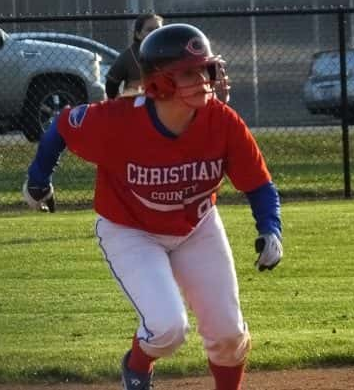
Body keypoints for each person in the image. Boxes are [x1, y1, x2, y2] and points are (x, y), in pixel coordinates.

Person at [22, 23, 283, 390]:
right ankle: (137, 366)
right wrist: (38, 180)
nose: (205, 80)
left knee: (228, 334)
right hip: (130, 230)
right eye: (190, 72)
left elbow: (258, 184)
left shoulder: (222, 122)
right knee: (167, 328)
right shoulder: (117, 120)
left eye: (205, 69)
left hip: (196, 226)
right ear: (159, 82)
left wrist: (271, 228)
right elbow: (62, 126)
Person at [105, 13, 164, 99]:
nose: (155, 32)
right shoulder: (128, 56)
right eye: (150, 29)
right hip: (138, 107)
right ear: (138, 34)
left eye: (158, 29)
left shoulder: (169, 52)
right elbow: (111, 87)